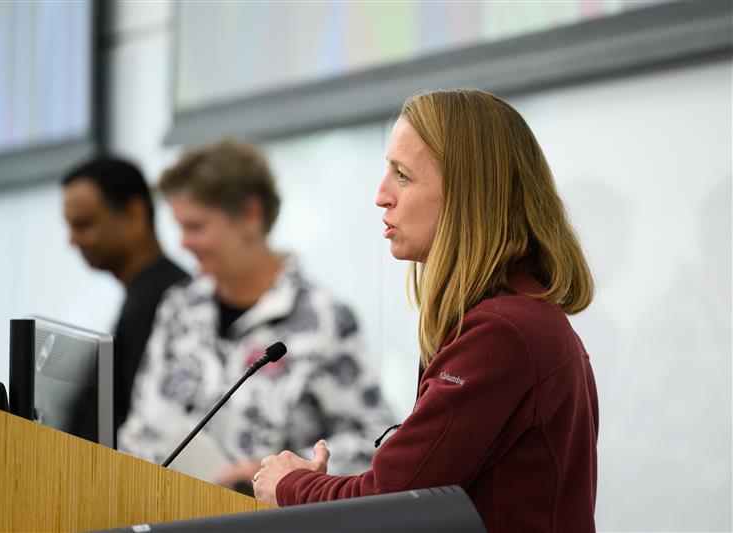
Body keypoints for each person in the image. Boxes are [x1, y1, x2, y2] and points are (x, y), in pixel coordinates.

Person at [253, 89, 599, 532]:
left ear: (467, 193)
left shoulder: (503, 333)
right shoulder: (510, 321)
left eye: (402, 175)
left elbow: (393, 499)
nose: (381, 195)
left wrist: (291, 485)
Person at [117, 139, 395, 493]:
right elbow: (139, 431)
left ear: (250, 216)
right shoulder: (178, 307)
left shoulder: (324, 319)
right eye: (180, 227)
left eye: (196, 226)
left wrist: (288, 472)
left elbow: (376, 442)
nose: (183, 243)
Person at [62, 157, 189, 432]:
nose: (72, 241)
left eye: (84, 225)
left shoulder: (169, 302)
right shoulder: (148, 295)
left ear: (134, 214)